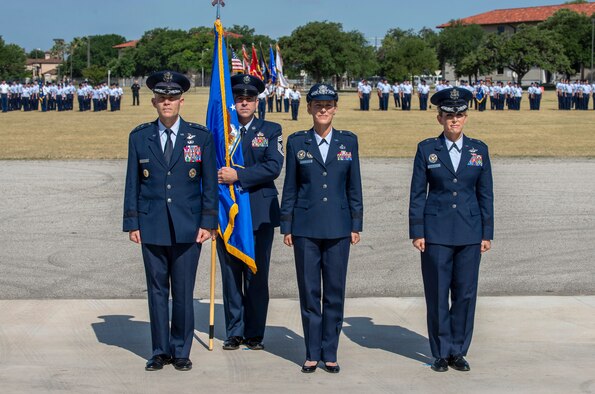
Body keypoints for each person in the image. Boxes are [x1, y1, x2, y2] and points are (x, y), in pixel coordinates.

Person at [122, 70, 218, 372]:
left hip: (189, 227)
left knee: (183, 291)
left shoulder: (200, 137)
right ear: (153, 102)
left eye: (172, 98)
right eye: (162, 98)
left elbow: (209, 186)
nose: (167, 102)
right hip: (151, 225)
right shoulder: (140, 137)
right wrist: (132, 222)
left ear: (181, 101)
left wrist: (208, 222)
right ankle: (160, 350)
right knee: (157, 291)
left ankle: (181, 350)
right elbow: (132, 183)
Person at [408, 87, 493, 373]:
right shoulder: (426, 149)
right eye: (448, 115)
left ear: (466, 117)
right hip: (436, 232)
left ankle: (458, 350)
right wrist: (417, 231)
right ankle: (441, 352)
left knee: (465, 294)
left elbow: (486, 193)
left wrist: (486, 232)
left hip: (470, 231)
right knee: (437, 292)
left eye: (459, 114)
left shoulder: (478, 150)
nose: (454, 120)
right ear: (439, 118)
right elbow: (417, 193)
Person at [280, 84, 363, 374]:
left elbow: (354, 186)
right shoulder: (297, 142)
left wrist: (356, 223)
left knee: (335, 292)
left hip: (339, 227)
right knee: (309, 291)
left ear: (336, 108)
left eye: (328, 105)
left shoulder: (348, 142)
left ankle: (330, 351)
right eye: (318, 105)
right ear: (309, 108)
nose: (323, 110)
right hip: (305, 228)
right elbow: (290, 187)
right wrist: (287, 225)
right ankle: (312, 351)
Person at [216, 74, 284, 351]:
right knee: (231, 275)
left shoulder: (270, 130)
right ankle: (235, 331)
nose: (244, 103)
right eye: (239, 99)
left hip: (259, 212)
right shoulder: (221, 132)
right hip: (228, 212)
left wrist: (238, 175)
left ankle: (254, 333)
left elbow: (273, 167)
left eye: (249, 99)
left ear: (257, 102)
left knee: (257, 275)